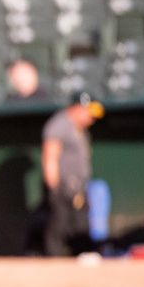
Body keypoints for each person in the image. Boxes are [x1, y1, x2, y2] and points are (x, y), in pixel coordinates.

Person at [41, 92, 104, 256]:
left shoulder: (78, 128)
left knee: (80, 225)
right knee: (59, 224)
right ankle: (52, 259)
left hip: (78, 187)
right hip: (62, 186)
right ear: (77, 107)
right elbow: (50, 157)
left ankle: (81, 258)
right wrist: (54, 188)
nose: (92, 118)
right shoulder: (59, 125)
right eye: (88, 112)